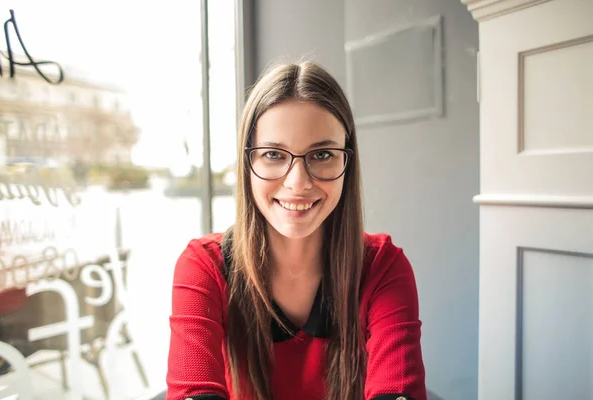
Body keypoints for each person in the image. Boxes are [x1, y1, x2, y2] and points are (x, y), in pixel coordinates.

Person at [166, 60, 426, 400]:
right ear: (248, 163)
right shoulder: (204, 266)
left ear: (347, 162)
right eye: (273, 154)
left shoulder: (383, 267)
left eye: (322, 154)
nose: (298, 182)